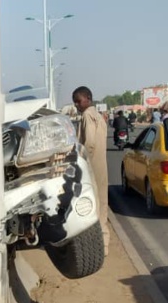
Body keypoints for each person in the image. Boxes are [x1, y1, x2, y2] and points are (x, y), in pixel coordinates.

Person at [72, 86, 110, 256]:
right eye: (75, 102)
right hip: (101, 165)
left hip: (92, 166)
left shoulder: (87, 115)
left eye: (78, 101)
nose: (76, 105)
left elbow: (90, 143)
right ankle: (104, 245)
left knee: (92, 206)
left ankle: (97, 246)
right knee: (102, 204)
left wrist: (81, 161)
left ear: (88, 98)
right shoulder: (99, 116)